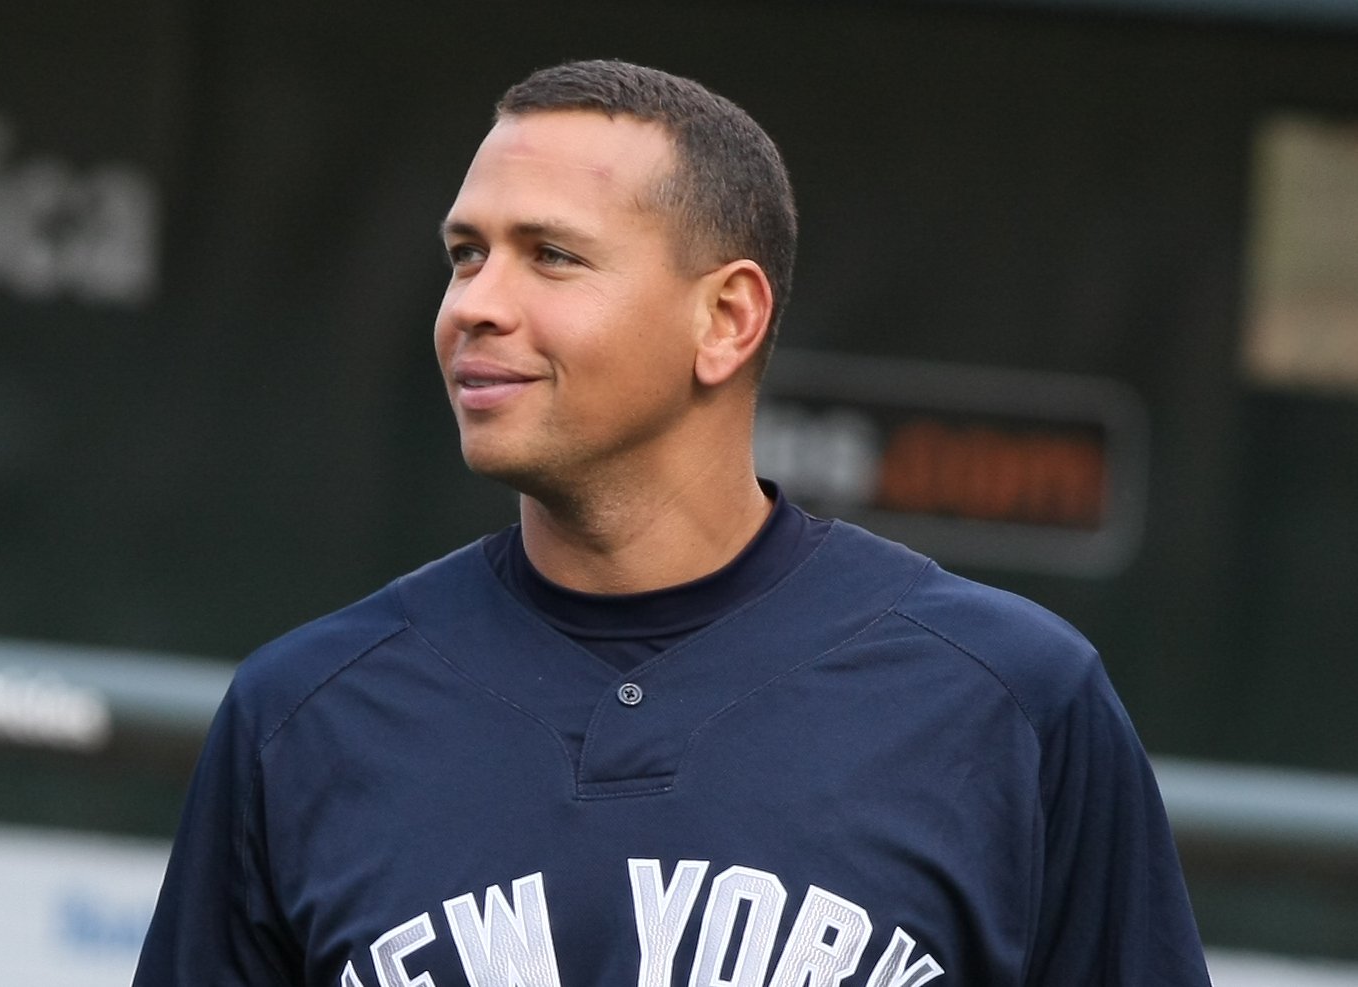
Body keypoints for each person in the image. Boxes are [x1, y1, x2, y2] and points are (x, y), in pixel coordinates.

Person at [135, 59, 1211, 987]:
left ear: (727, 318)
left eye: (550, 255)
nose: (474, 304)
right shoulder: (303, 714)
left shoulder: (1011, 700)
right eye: (466, 254)